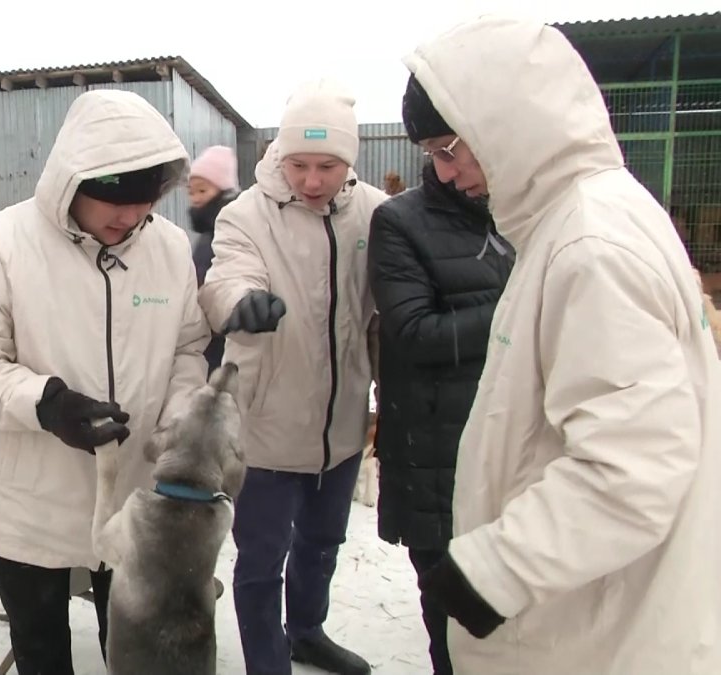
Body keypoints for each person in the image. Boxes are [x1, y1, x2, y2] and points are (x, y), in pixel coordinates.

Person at [401, 15, 721, 674]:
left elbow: (632, 468)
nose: (446, 174)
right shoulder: (584, 218)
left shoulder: (589, 247)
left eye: (447, 149)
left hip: (601, 634)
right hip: (599, 611)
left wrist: (495, 568)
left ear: (504, 121)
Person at [0, 88, 210, 675]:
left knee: (134, 651)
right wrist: (46, 403)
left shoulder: (169, 248)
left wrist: (180, 416)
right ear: (71, 184)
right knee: (43, 654)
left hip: (132, 497)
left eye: (144, 203)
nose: (130, 219)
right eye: (114, 204)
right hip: (25, 501)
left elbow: (188, 346)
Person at [199, 80, 387, 675]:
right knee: (260, 558)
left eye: (328, 166)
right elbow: (224, 276)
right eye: (298, 164)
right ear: (278, 156)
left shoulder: (376, 213)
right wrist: (242, 302)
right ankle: (266, 662)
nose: (311, 181)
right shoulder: (246, 215)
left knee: (323, 542)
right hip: (268, 422)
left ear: (349, 161)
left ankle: (306, 630)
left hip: (342, 419)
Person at [368, 154, 514, 675]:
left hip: (521, 461)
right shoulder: (400, 222)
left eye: (457, 149)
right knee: (458, 637)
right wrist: (523, 305)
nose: (449, 169)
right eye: (437, 151)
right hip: (437, 465)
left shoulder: (533, 214)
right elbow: (413, 333)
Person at [187, 145, 240, 374]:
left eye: (202, 190)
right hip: (207, 338)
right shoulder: (207, 230)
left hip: (224, 342)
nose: (195, 198)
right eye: (191, 191)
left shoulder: (231, 229)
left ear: (222, 189)